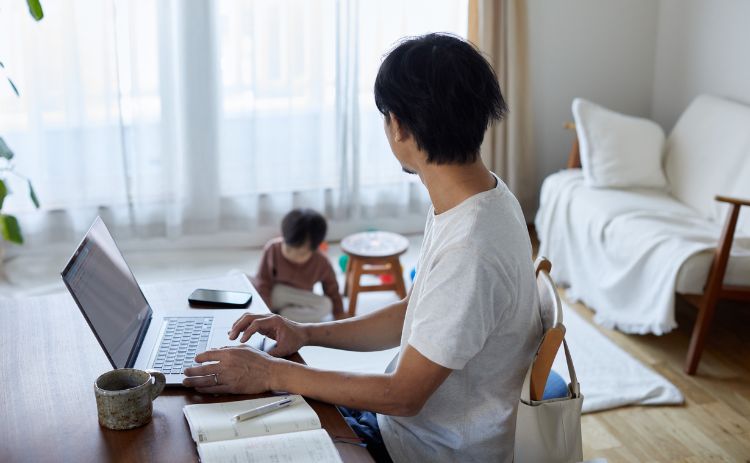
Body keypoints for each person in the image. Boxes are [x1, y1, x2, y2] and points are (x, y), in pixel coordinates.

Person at [184, 33, 542, 463]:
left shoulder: (471, 247)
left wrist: (273, 372)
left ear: (399, 126)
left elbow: (403, 395)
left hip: (422, 449)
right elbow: (415, 313)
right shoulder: (483, 198)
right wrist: (305, 332)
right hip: (406, 428)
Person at [251, 208, 345, 322]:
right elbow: (263, 281)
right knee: (238, 277)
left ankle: (282, 317)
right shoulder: (272, 249)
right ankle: (275, 315)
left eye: (302, 253)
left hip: (298, 299)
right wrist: (265, 312)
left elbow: (332, 290)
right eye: (289, 248)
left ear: (315, 249)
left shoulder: (321, 262)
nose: (293, 255)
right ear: (283, 237)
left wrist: (339, 315)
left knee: (326, 304)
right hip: (274, 294)